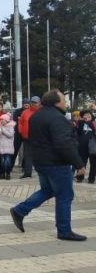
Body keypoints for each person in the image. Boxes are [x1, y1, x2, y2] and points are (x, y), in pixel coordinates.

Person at [10, 90, 87, 241]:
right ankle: (64, 230)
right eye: (64, 100)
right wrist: (79, 164)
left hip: (39, 161)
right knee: (65, 195)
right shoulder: (58, 118)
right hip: (57, 163)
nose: (66, 102)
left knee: (48, 190)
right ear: (56, 102)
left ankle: (20, 210)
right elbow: (64, 144)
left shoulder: (36, 115)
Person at [18, 96, 41, 178]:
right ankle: (27, 172)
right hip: (27, 137)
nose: (33, 104)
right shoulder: (25, 112)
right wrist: (21, 130)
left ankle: (41, 172)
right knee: (27, 155)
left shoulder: (41, 112)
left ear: (39, 103)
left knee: (39, 155)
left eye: (35, 102)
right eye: (32, 102)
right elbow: (20, 122)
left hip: (39, 138)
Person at [74, 110, 96, 184]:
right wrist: (81, 122)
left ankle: (91, 178)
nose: (87, 115)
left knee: (93, 163)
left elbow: (94, 129)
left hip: (93, 145)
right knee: (82, 161)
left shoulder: (93, 123)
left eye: (88, 114)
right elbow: (78, 132)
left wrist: (88, 122)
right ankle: (80, 177)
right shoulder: (81, 123)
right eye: (85, 114)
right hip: (82, 145)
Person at [0, 113, 15, 180]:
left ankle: (8, 174)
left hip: (8, 147)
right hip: (1, 146)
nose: (1, 121)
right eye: (1, 120)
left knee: (8, 161)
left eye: (3, 119)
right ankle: (2, 174)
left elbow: (10, 135)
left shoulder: (10, 127)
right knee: (2, 162)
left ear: (7, 120)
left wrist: (3, 130)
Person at [12, 99, 30, 168]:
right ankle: (11, 165)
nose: (26, 105)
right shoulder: (18, 111)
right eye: (25, 103)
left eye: (28, 103)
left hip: (27, 133)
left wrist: (21, 118)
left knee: (26, 151)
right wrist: (20, 118)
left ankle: (25, 166)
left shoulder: (30, 111)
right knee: (15, 149)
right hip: (18, 133)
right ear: (23, 104)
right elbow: (15, 119)